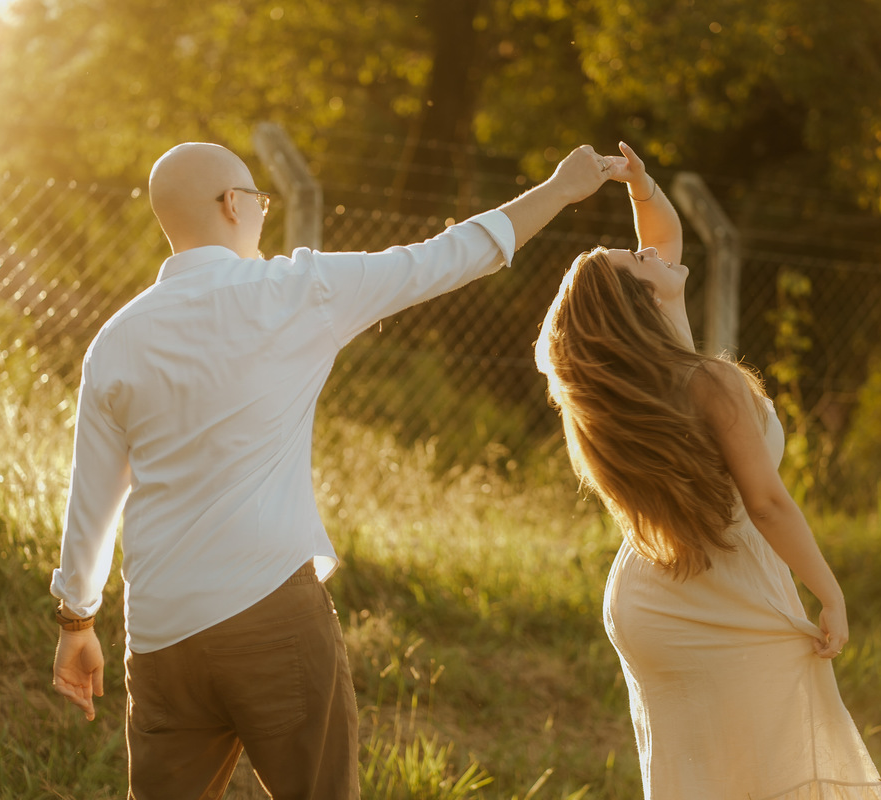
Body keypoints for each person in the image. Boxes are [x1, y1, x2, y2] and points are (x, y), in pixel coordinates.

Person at [49, 139, 614, 799]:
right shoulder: (300, 291)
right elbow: (450, 255)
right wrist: (559, 189)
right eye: (259, 199)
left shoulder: (117, 339)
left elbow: (92, 497)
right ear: (233, 205)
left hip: (159, 633)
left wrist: (77, 622)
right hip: (270, 615)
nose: (263, 213)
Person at [535, 142, 881, 799]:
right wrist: (830, 592)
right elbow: (768, 504)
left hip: (650, 604)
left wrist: (640, 185)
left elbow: (665, 234)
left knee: (709, 779)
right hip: (711, 597)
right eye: (638, 263)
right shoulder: (707, 381)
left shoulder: (648, 374)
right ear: (640, 306)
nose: (650, 253)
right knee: (778, 765)